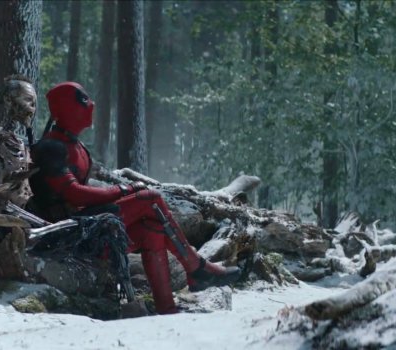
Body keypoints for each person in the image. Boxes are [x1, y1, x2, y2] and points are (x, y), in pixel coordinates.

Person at [29, 82, 241, 314]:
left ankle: (167, 307)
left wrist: (122, 193)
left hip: (87, 230)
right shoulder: (51, 147)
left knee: (152, 231)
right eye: (82, 100)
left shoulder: (74, 145)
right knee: (150, 198)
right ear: (68, 108)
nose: (90, 105)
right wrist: (122, 191)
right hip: (67, 237)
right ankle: (196, 268)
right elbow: (73, 193)